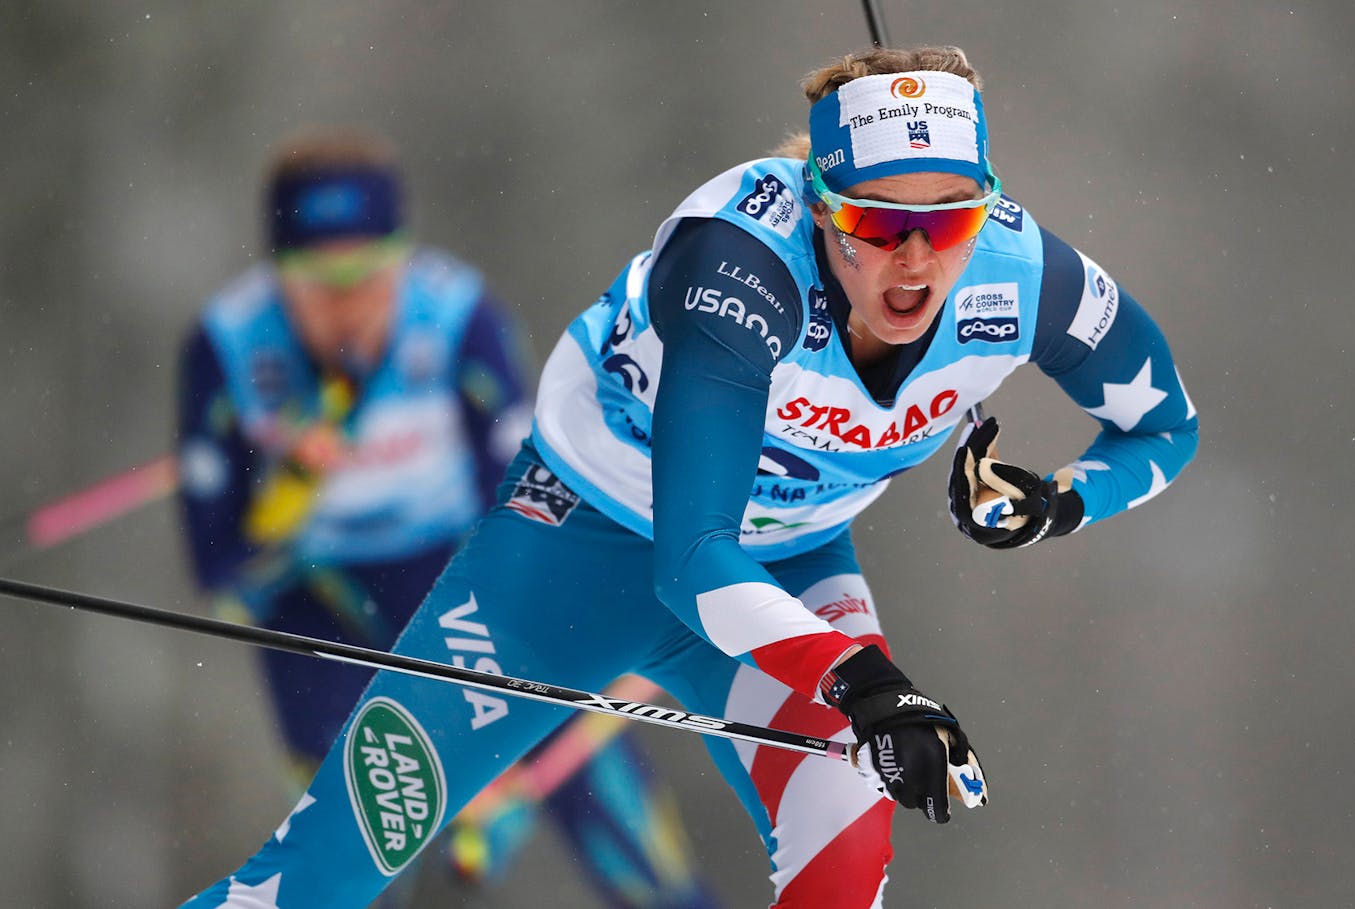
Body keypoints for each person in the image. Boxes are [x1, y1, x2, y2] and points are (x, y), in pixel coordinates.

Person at [182, 45, 1199, 909]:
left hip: (792, 569)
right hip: (571, 554)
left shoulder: (1024, 276)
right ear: (818, 209)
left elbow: (1164, 428)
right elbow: (693, 562)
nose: (916, 263)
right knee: (312, 883)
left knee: (848, 838)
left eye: (953, 220)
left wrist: (1059, 499)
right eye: (878, 225)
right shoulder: (734, 266)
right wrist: (871, 684)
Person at [175, 127, 718, 909]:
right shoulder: (228, 346)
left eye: (370, 271)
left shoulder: (454, 314)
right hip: (311, 599)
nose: (347, 302)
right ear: (276, 276)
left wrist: (636, 612)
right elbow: (219, 567)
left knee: (607, 802)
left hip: (454, 569)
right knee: (347, 850)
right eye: (315, 277)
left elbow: (542, 492)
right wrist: (287, 482)